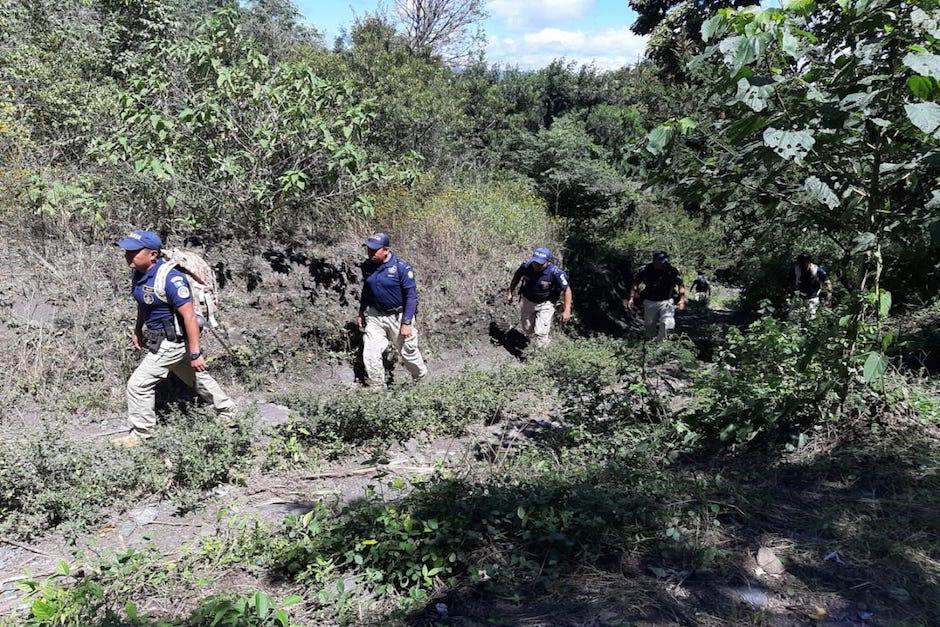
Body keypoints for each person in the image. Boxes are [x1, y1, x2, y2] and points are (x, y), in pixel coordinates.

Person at [113, 230, 235, 447]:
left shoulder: (171, 278)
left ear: (152, 255)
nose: (127, 255)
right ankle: (228, 412)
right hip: (160, 339)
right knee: (196, 377)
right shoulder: (140, 274)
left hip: (172, 342)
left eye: (133, 251)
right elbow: (144, 304)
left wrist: (195, 352)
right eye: (126, 251)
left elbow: (189, 316)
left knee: (138, 385)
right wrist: (138, 330)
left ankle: (142, 435)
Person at [357, 232, 428, 387]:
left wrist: (407, 322)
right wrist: (362, 311)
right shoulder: (367, 266)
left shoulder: (401, 267)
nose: (370, 253)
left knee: (408, 353)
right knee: (370, 352)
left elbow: (411, 297)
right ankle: (377, 390)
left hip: (398, 316)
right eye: (368, 249)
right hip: (375, 316)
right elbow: (366, 289)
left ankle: (421, 381)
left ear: (386, 250)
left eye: (374, 250)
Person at [505, 247, 572, 348]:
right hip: (528, 300)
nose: (537, 266)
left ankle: (540, 356)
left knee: (541, 332)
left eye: (541, 264)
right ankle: (532, 344)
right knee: (527, 329)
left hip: (546, 303)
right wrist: (510, 291)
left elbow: (567, 290)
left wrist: (567, 310)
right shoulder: (526, 266)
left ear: (548, 262)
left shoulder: (556, 273)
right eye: (535, 262)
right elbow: (517, 276)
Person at [627, 251, 686, 341]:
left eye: (665, 261)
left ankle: (661, 343)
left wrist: (681, 300)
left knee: (668, 324)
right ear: (655, 261)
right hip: (650, 302)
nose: (664, 263)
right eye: (661, 261)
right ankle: (650, 345)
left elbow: (680, 285)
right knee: (649, 327)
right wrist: (631, 298)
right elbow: (635, 284)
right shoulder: (645, 270)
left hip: (667, 301)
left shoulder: (671, 270)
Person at [789, 252, 832, 320]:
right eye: (800, 262)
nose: (802, 264)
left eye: (804, 262)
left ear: (808, 261)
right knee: (792, 317)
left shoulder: (816, 270)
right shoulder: (796, 270)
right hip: (799, 297)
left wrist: (828, 296)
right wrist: (793, 292)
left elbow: (827, 282)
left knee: (811, 318)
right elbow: (791, 282)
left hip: (813, 296)